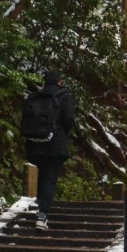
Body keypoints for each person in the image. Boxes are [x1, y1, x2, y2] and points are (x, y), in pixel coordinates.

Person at [22, 69, 75, 229]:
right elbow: (69, 119)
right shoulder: (64, 96)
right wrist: (60, 134)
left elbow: (25, 118)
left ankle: (38, 205)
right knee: (49, 179)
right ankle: (42, 215)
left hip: (34, 143)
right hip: (55, 144)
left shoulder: (34, 97)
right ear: (60, 82)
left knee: (40, 176)